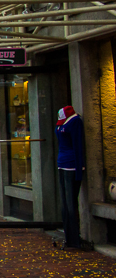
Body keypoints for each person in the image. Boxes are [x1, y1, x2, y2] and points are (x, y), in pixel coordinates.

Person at [56, 106, 86, 250]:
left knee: (69, 203)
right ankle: (71, 237)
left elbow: (77, 145)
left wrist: (79, 169)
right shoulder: (69, 123)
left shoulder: (73, 123)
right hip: (66, 164)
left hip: (67, 164)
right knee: (68, 203)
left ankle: (73, 238)